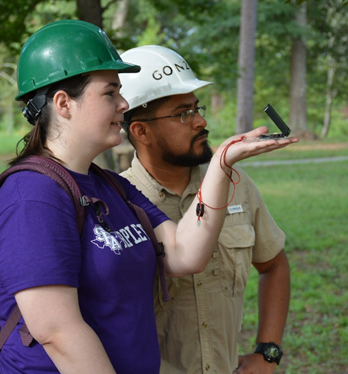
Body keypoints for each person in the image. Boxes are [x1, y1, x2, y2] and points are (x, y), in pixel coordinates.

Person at [0, 21, 297, 374]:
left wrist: (222, 161)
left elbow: (185, 254)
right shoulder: (33, 197)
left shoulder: (109, 187)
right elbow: (57, 332)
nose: (123, 104)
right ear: (63, 103)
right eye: (110, 93)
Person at [118, 45, 291, 374]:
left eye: (196, 108)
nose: (201, 121)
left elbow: (274, 264)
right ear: (141, 131)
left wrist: (267, 353)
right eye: (183, 113)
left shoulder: (236, 184)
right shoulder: (117, 204)